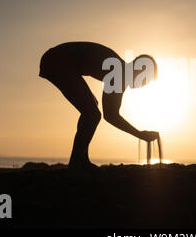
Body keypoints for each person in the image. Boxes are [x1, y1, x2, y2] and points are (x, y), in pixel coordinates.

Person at [39, 42, 159, 170]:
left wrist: (139, 134)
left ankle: (81, 161)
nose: (144, 84)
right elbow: (111, 116)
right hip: (57, 60)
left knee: (92, 109)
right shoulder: (119, 74)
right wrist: (140, 134)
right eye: (146, 79)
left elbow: (110, 114)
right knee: (92, 114)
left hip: (58, 59)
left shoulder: (120, 72)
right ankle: (75, 164)